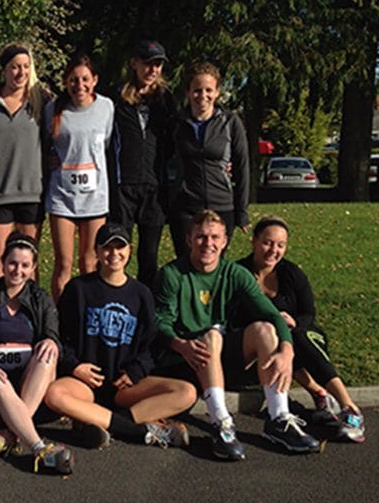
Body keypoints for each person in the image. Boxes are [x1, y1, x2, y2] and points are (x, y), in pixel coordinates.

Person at [153, 210, 320, 460]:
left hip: (220, 359)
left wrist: (287, 349)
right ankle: (221, 423)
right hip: (184, 359)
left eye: (214, 237)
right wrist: (180, 345)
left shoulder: (235, 274)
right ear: (189, 240)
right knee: (212, 336)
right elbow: (160, 322)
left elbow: (273, 315)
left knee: (264, 329)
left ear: (225, 241)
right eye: (201, 237)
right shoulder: (172, 274)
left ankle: (279, 419)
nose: (208, 244)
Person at [45, 223, 195, 450]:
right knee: (54, 394)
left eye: (120, 247)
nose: (114, 254)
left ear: (129, 251)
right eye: (107, 248)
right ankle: (137, 430)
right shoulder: (78, 289)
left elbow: (150, 345)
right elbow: (59, 337)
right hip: (85, 383)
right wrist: (75, 366)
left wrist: (137, 371)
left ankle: (97, 421)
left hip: (124, 386)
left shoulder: (141, 293)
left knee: (186, 392)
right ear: (96, 251)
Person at [237, 217, 365, 442]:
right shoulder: (239, 273)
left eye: (280, 245)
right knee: (278, 339)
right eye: (267, 243)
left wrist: (294, 322)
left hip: (305, 336)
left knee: (296, 336)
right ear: (254, 242)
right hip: (265, 346)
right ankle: (320, 394)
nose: (273, 250)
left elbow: (309, 313)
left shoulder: (292, 273)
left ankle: (350, 408)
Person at [0, 233, 74, 474]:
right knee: (0, 381)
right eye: (12, 263)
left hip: (30, 379)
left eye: (25, 265)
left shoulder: (40, 298)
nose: (17, 270)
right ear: (2, 263)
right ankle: (38, 447)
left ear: (33, 268)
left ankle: (8, 434)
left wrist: (52, 342)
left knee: (48, 353)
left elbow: (55, 338)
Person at [44, 54, 114, 300]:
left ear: (95, 80)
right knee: (64, 264)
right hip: (62, 198)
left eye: (85, 79)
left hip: (95, 198)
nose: (79, 85)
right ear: (65, 82)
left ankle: (89, 317)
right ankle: (61, 323)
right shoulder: (53, 109)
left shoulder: (106, 107)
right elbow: (45, 145)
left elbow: (105, 144)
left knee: (90, 263)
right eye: (73, 80)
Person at [0, 44, 47, 282]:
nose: (21, 73)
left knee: (28, 261)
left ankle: (30, 314)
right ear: (4, 70)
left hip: (31, 193)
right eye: (15, 67)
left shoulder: (41, 101)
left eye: (26, 67)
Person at [108, 41, 176, 288]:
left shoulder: (166, 100)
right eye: (148, 63)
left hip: (154, 187)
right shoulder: (115, 97)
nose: (152, 70)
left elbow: (175, 141)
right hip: (122, 186)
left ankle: (146, 309)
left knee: (149, 256)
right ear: (134, 63)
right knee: (118, 252)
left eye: (157, 64)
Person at [168, 62, 249, 259]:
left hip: (222, 205)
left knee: (213, 263)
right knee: (186, 264)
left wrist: (242, 210)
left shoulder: (230, 122)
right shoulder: (177, 123)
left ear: (217, 92)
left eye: (208, 90)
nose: (202, 96)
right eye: (197, 90)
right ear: (188, 92)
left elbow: (243, 167)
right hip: (185, 206)